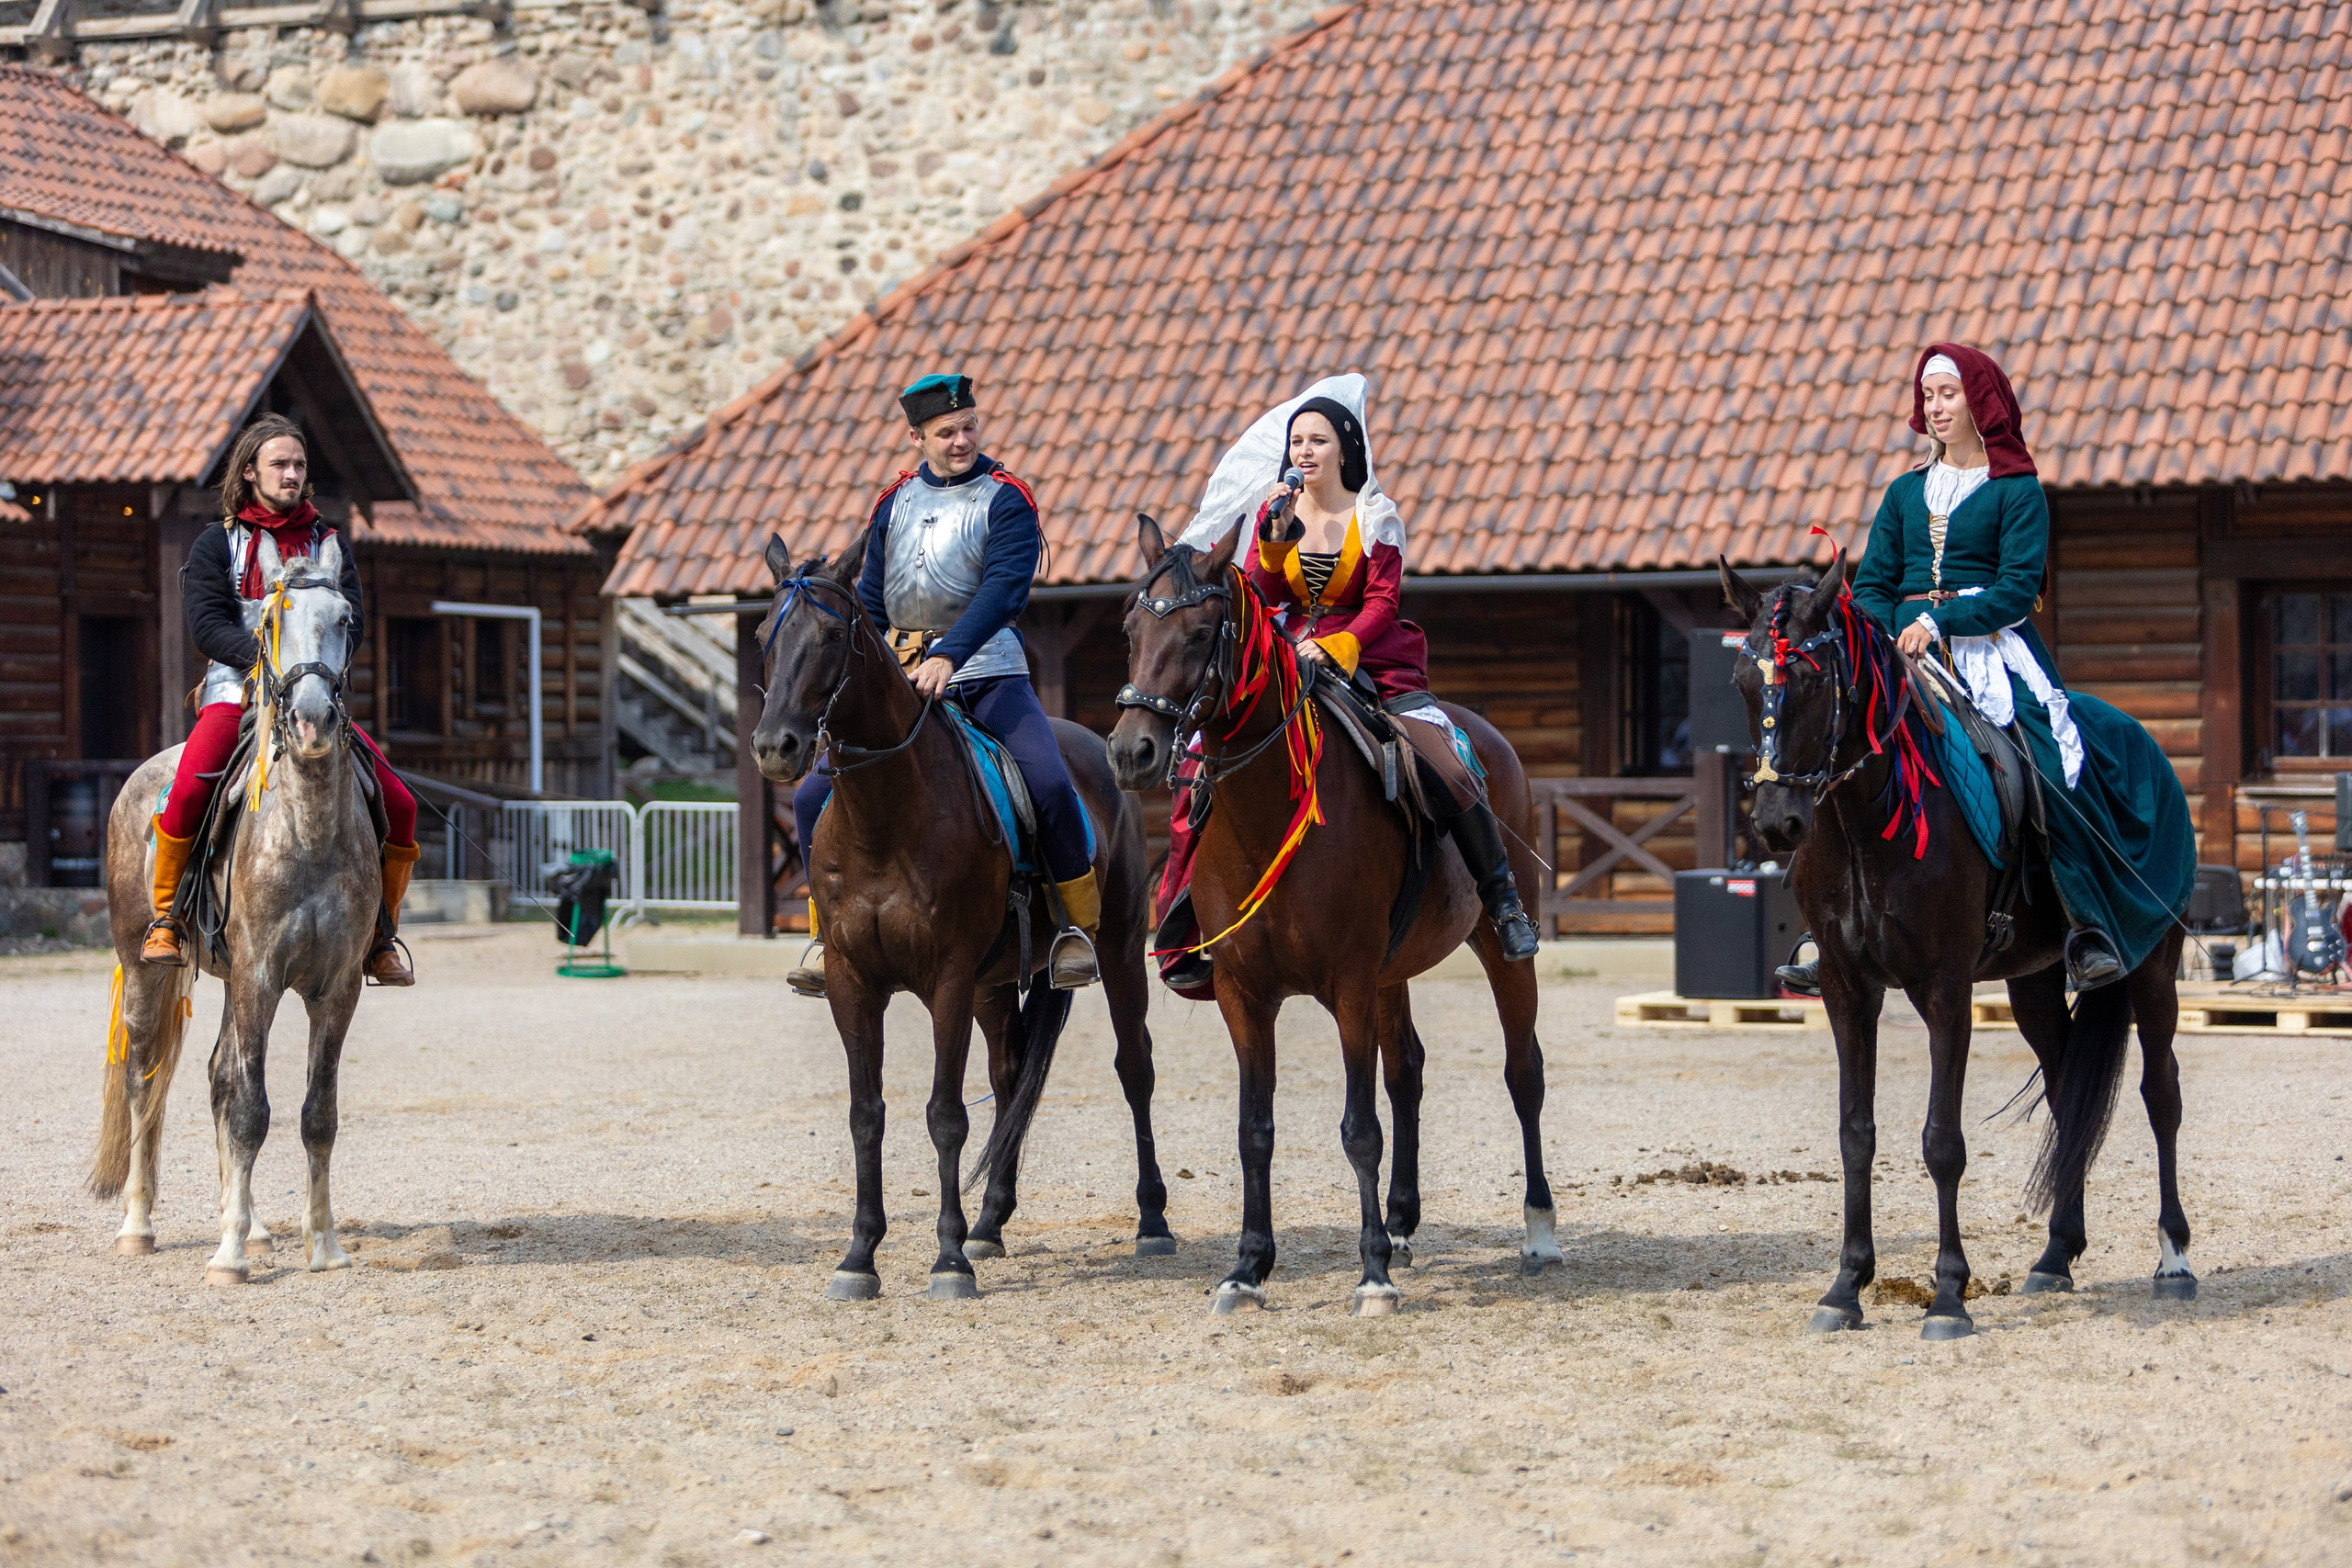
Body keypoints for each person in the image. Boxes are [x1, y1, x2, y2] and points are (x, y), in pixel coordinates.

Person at [1775, 344, 2194, 995]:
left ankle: (2084, 924)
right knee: (1833, 748)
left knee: (2048, 761)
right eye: (1929, 396)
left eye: (1948, 395)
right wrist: (1891, 632)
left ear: (1980, 401)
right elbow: (1875, 583)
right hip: (1904, 652)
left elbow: (2018, 588)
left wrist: (1940, 622)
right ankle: (1825, 928)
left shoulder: (2018, 491)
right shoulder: (1904, 492)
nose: (1936, 408)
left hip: (1994, 650)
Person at [1155, 376, 1540, 992]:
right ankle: (1191, 915)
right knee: (1207, 766)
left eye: (1318, 441)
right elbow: (1265, 593)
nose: (1304, 452)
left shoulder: (1375, 515)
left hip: (1373, 661)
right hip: (1287, 661)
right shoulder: (1276, 513)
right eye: (1297, 442)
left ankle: (1502, 901)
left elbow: (1383, 603)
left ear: (1345, 448)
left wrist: (1335, 645)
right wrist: (1276, 542)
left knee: (1444, 762)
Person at [786, 373, 1101, 997]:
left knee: (1050, 783)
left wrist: (950, 654)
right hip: (901, 681)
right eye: (947, 432)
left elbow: (1003, 590)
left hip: (988, 674)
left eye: (969, 427)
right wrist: (872, 669)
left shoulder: (1006, 497)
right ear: (917, 437)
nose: (962, 440)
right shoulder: (892, 502)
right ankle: (828, 933)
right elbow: (871, 599)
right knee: (805, 799)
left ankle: (1073, 927)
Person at [144, 413, 422, 984]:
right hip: (238, 692)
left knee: (400, 801)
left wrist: (312, 676)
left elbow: (354, 621)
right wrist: (268, 665)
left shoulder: (329, 541)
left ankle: (379, 935)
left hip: (314, 695)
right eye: (280, 464)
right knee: (193, 784)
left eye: (299, 464)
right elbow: (206, 625)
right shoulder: (216, 544)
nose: (292, 473)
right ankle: (167, 919)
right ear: (250, 472)